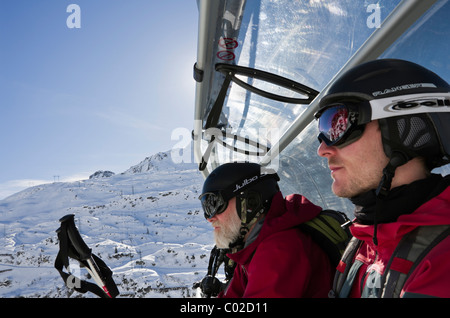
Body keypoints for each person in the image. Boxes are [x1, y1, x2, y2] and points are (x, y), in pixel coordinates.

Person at [315, 58, 450, 298]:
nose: (322, 149)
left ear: (406, 129)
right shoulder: (364, 240)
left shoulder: (442, 259)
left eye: (340, 124)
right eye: (324, 130)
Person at [198, 162, 335, 298]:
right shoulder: (252, 249)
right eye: (207, 207)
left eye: (216, 204)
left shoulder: (279, 248)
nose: (210, 218)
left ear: (250, 203)